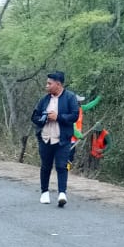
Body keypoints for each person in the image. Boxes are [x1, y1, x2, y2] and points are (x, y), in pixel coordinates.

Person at [31, 70, 81, 207]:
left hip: (62, 139)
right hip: (45, 138)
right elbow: (34, 117)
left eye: (49, 83)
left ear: (58, 84)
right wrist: (44, 118)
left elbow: (74, 116)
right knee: (45, 166)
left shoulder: (70, 97)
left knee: (61, 166)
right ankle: (44, 192)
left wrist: (58, 117)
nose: (46, 86)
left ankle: (62, 193)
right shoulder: (44, 99)